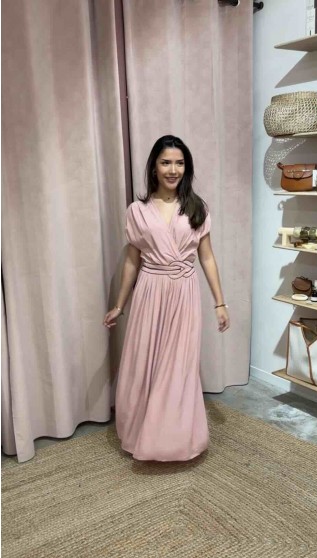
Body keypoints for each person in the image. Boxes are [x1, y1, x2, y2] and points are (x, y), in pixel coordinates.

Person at [103, 135, 230, 462]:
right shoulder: (137, 211)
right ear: (154, 168)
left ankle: (173, 439)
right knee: (146, 362)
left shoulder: (197, 208)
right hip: (150, 291)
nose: (173, 170)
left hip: (184, 293)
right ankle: (141, 433)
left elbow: (207, 257)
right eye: (166, 162)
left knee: (179, 366)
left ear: (186, 167)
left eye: (179, 163)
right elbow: (132, 261)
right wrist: (119, 305)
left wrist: (220, 302)